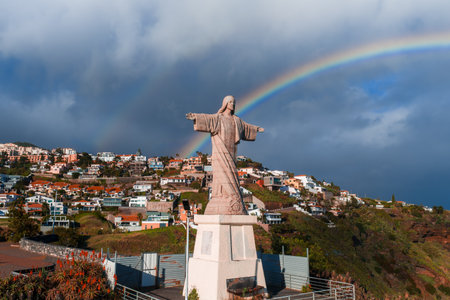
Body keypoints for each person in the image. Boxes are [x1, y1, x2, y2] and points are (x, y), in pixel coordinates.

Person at [186, 95, 264, 215]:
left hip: (232, 152)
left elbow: (246, 127)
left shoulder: (236, 120)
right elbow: (207, 119)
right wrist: (195, 117)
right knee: (220, 173)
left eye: (234, 102)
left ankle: (233, 197)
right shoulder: (218, 118)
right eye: (230, 102)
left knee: (232, 173)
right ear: (225, 103)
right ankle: (220, 196)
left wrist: (256, 129)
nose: (233, 104)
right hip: (220, 152)